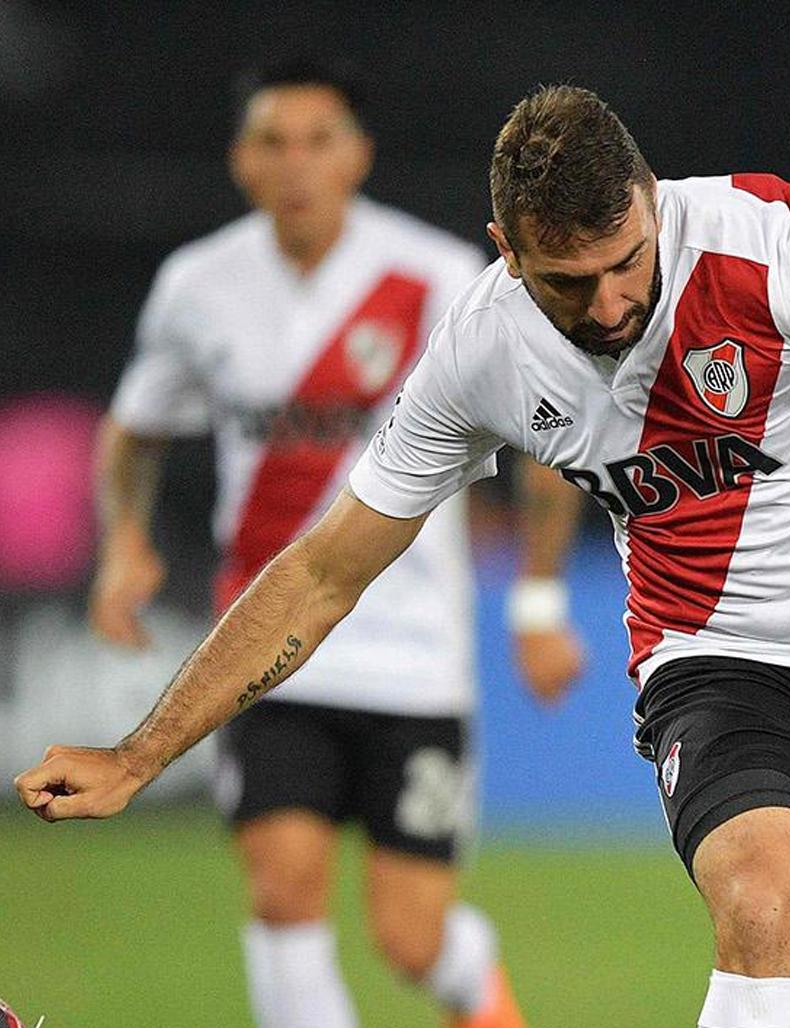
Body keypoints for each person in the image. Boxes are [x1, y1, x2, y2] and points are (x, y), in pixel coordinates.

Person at [20, 84, 790, 1028]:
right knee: (763, 899)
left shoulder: (779, 249)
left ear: (652, 200)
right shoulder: (480, 350)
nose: (609, 305)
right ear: (505, 244)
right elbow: (322, 569)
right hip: (725, 667)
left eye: (625, 262)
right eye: (569, 281)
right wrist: (140, 751)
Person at [84, 62, 585, 1028]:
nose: (296, 164)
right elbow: (132, 428)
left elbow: (550, 437)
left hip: (414, 662)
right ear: (241, 159)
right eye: (273, 141)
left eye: (319, 139)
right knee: (283, 894)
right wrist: (124, 543)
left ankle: (470, 974)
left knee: (412, 939)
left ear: (357, 155)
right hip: (268, 651)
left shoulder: (439, 279)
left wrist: (536, 604)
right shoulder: (197, 287)